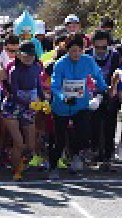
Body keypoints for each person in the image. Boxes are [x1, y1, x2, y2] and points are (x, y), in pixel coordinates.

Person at [49, 33, 107, 178]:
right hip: (62, 105)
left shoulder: (88, 61)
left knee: (83, 132)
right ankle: (53, 166)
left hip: (81, 104)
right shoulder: (60, 64)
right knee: (59, 138)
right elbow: (55, 86)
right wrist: (63, 97)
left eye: (79, 50)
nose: (76, 54)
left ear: (83, 50)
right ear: (67, 50)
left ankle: (76, 156)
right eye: (73, 50)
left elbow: (98, 75)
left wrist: (104, 89)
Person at [2, 42, 43, 180]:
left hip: (29, 106)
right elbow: (13, 93)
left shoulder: (37, 67)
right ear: (19, 55)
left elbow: (38, 86)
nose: (29, 58)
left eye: (31, 55)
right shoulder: (14, 71)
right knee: (19, 142)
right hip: (12, 107)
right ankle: (16, 171)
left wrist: (43, 100)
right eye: (26, 56)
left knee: (31, 145)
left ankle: (19, 161)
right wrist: (29, 103)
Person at [85, 30, 122, 169]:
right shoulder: (87, 55)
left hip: (109, 93)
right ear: (93, 45)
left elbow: (117, 74)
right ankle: (93, 151)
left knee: (109, 125)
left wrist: (112, 90)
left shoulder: (115, 56)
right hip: (90, 94)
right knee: (91, 124)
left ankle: (107, 155)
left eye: (104, 47)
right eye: (98, 47)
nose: (101, 50)